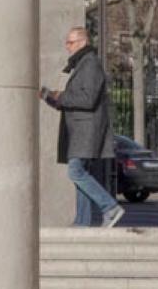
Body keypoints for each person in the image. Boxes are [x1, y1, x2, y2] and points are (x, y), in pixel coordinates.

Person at [40, 26, 125, 229]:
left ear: (82, 42)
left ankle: (110, 207)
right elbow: (69, 101)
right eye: (67, 42)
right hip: (79, 131)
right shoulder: (82, 65)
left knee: (76, 172)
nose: (67, 47)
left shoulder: (90, 64)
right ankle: (82, 221)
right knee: (81, 174)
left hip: (86, 132)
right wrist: (48, 96)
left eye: (70, 42)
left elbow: (87, 99)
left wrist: (61, 96)